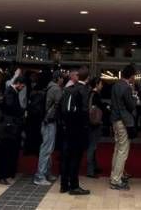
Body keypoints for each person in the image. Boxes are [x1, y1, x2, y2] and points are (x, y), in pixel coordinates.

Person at [59, 66, 92, 196]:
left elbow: (61, 109)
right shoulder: (84, 90)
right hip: (78, 130)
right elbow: (84, 111)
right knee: (75, 158)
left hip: (67, 127)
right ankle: (74, 186)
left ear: (78, 76)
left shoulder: (68, 89)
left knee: (66, 157)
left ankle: (63, 185)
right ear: (88, 78)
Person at [0, 74, 26, 185]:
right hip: (7, 127)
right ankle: (0, 176)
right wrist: (22, 111)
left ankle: (3, 175)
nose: (22, 89)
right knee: (3, 152)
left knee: (5, 152)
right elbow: (10, 107)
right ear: (18, 83)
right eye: (22, 86)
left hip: (7, 126)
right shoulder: (10, 92)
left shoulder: (10, 92)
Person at [34, 70, 64, 186]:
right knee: (46, 149)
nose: (63, 80)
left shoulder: (49, 87)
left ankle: (46, 173)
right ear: (58, 78)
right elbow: (59, 105)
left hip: (46, 121)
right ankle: (40, 175)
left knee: (48, 148)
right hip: (49, 122)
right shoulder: (56, 89)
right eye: (62, 78)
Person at [109, 64, 137, 190]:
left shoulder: (116, 85)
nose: (134, 78)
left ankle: (114, 176)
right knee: (122, 151)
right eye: (134, 76)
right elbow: (131, 106)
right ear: (130, 76)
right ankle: (116, 180)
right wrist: (135, 98)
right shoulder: (126, 88)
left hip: (115, 119)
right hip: (123, 121)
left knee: (117, 148)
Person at [86, 77, 105, 179]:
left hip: (89, 122)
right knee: (92, 146)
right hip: (94, 123)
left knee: (92, 145)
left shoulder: (89, 94)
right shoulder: (95, 95)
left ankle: (94, 166)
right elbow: (101, 107)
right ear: (97, 84)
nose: (102, 86)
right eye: (101, 84)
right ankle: (90, 170)